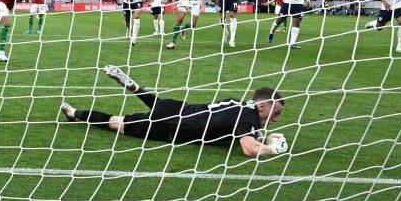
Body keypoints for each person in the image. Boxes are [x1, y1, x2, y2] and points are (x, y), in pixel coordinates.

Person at [61, 66, 289, 158]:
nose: (276, 119)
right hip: (173, 127)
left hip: (178, 107)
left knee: (157, 103)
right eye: (275, 112)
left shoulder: (239, 104)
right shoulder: (246, 116)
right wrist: (272, 148)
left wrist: (261, 134)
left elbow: (245, 132)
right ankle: (75, 113)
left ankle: (134, 87)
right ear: (261, 106)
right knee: (116, 122)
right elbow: (249, 149)